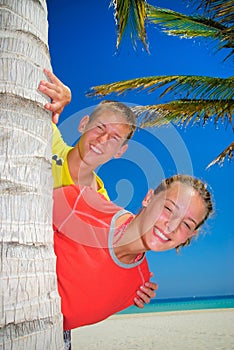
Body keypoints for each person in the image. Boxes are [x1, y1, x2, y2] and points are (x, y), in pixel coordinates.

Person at [53, 174, 213, 336]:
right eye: (169, 209)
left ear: (189, 236)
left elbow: (60, 323)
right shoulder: (81, 204)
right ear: (149, 198)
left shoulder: (138, 288)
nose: (172, 226)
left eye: (186, 224)